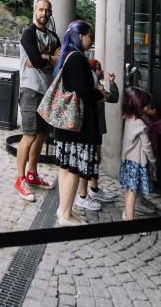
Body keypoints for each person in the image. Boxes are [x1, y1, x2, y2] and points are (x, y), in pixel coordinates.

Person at [53, 20, 105, 226]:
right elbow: (83, 92)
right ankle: (66, 214)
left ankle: (62, 209)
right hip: (78, 124)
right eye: (90, 36)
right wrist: (99, 93)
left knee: (65, 168)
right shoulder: (77, 59)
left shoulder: (66, 56)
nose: (91, 40)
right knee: (73, 169)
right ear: (80, 36)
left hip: (66, 124)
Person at [15, 0, 61, 201]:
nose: (44, 13)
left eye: (47, 10)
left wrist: (46, 59)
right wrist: (51, 58)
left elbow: (63, 58)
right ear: (35, 11)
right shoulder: (28, 33)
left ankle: (32, 174)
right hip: (30, 89)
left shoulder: (52, 35)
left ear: (51, 13)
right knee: (29, 135)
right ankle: (20, 179)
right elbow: (34, 60)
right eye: (41, 9)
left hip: (47, 90)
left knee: (42, 134)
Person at [73, 59, 119, 211]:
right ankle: (83, 196)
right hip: (90, 129)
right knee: (88, 161)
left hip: (98, 128)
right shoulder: (91, 87)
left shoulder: (99, 86)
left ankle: (94, 190)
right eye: (98, 69)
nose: (102, 71)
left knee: (95, 160)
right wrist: (99, 91)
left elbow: (113, 98)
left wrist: (111, 83)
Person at [120, 86, 156, 227]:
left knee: (128, 189)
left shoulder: (129, 119)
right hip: (137, 162)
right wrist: (152, 160)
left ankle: (126, 213)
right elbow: (147, 146)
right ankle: (131, 221)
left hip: (127, 161)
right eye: (146, 104)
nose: (149, 107)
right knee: (134, 192)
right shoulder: (141, 124)